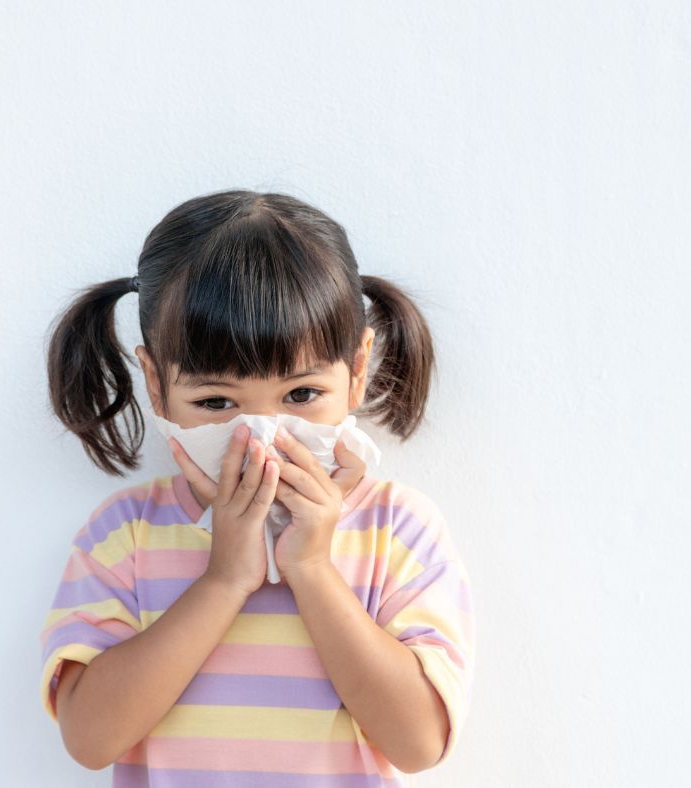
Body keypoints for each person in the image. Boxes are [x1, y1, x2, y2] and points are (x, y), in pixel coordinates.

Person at [38, 188, 476, 786]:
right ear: (156, 384)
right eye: (215, 401)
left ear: (356, 371)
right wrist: (223, 580)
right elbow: (89, 739)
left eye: (301, 395)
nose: (261, 435)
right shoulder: (126, 534)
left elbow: (420, 743)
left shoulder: (396, 528)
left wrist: (315, 568)